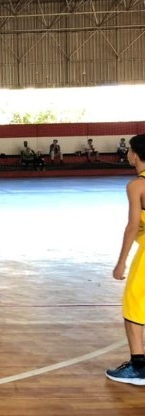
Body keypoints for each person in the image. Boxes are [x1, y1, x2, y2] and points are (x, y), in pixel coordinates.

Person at [106, 134, 145, 385]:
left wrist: (121, 261)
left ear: (135, 154)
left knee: (133, 304)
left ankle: (139, 368)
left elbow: (132, 226)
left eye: (130, 150)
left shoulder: (136, 186)